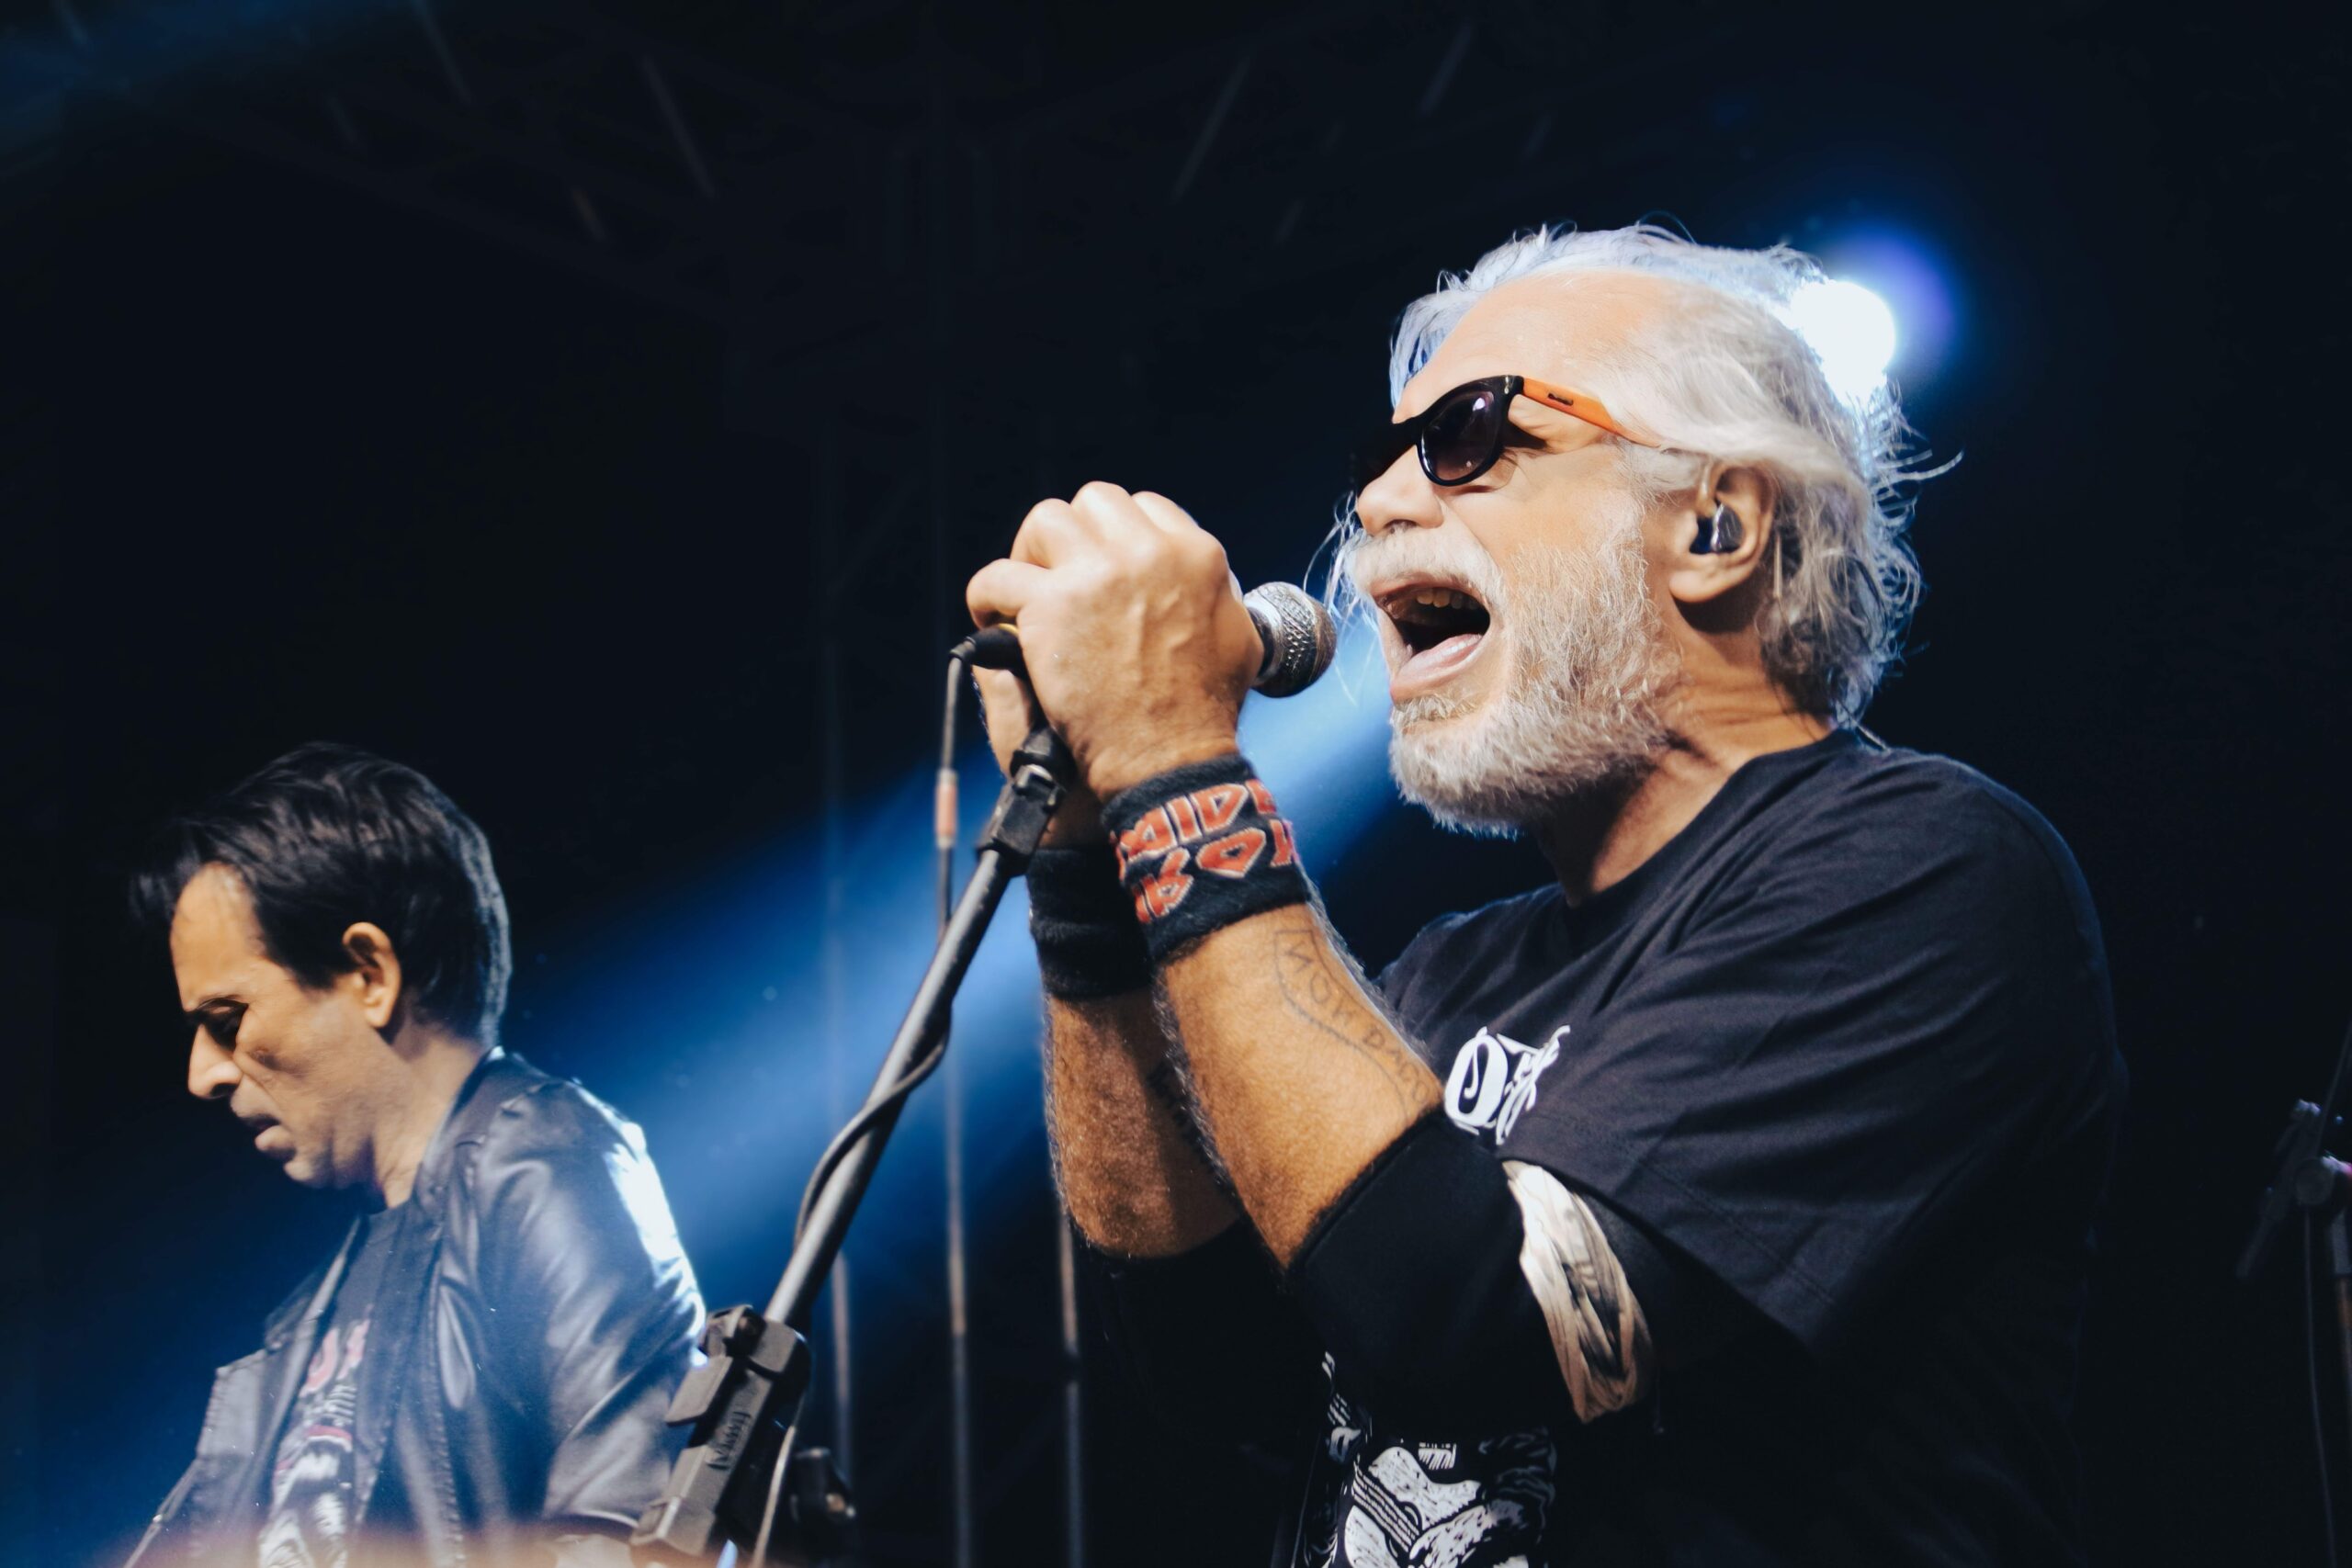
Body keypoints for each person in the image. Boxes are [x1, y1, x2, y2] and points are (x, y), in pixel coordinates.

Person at [968, 225, 2126, 1566]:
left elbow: (1458, 1324)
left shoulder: (1924, 871)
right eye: (1378, 460)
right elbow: (1218, 1375)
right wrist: (1085, 876)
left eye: (1466, 436)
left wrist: (1175, 759)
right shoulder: (1449, 974)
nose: (1381, 503)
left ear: (1715, 525)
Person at [124, 743, 704, 1568]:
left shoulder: (545, 1161)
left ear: (369, 974)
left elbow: (628, 1544)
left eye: (227, 1019)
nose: (203, 1073)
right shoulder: (321, 1297)